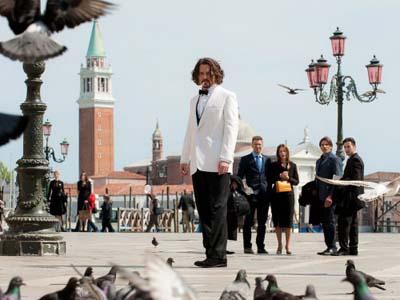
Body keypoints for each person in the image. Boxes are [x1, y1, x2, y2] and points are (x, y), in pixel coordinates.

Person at [180, 57, 239, 268]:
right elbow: (190, 130)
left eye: (208, 73)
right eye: (201, 74)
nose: (204, 77)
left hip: (218, 163)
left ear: (215, 74)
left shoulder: (227, 96)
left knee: (217, 208)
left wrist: (226, 158)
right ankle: (210, 253)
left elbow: (232, 129)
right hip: (197, 163)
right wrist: (184, 158)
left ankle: (219, 256)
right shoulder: (193, 100)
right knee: (204, 210)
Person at [237, 136, 271, 255]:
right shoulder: (246, 159)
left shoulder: (267, 160)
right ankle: (247, 246)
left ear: (262, 146)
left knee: (262, 223)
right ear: (252, 145)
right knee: (248, 222)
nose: (258, 146)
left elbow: (269, 177)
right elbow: (239, 177)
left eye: (260, 144)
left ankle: (261, 246)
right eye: (256, 144)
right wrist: (244, 191)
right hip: (250, 196)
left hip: (264, 195)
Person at [330, 137, 364, 256]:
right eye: (345, 147)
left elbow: (356, 179)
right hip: (353, 198)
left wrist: (340, 182)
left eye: (348, 146)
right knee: (353, 224)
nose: (346, 149)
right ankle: (353, 249)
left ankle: (344, 248)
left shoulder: (355, 160)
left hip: (350, 198)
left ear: (354, 146)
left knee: (344, 223)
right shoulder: (352, 160)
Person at [315, 136, 343, 255]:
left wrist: (330, 196)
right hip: (321, 196)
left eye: (326, 144)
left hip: (330, 197)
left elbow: (337, 179)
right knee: (325, 222)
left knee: (330, 222)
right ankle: (328, 246)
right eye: (322, 144)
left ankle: (333, 246)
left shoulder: (335, 159)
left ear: (331, 146)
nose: (324, 146)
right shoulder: (319, 160)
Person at [270, 144, 299, 255]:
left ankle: (287, 245)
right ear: (278, 153)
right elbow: (269, 178)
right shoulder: (273, 165)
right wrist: (279, 176)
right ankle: (279, 245)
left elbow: (296, 181)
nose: (282, 153)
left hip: (288, 196)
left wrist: (288, 178)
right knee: (277, 221)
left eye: (284, 151)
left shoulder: (292, 165)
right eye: (280, 151)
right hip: (276, 195)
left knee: (288, 222)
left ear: (287, 153)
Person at [226, 175, 249, 254]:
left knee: (228, 231)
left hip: (232, 214)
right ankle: (222, 248)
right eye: (234, 184)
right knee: (224, 231)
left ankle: (223, 248)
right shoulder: (228, 191)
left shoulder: (238, 192)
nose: (235, 185)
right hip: (226, 214)